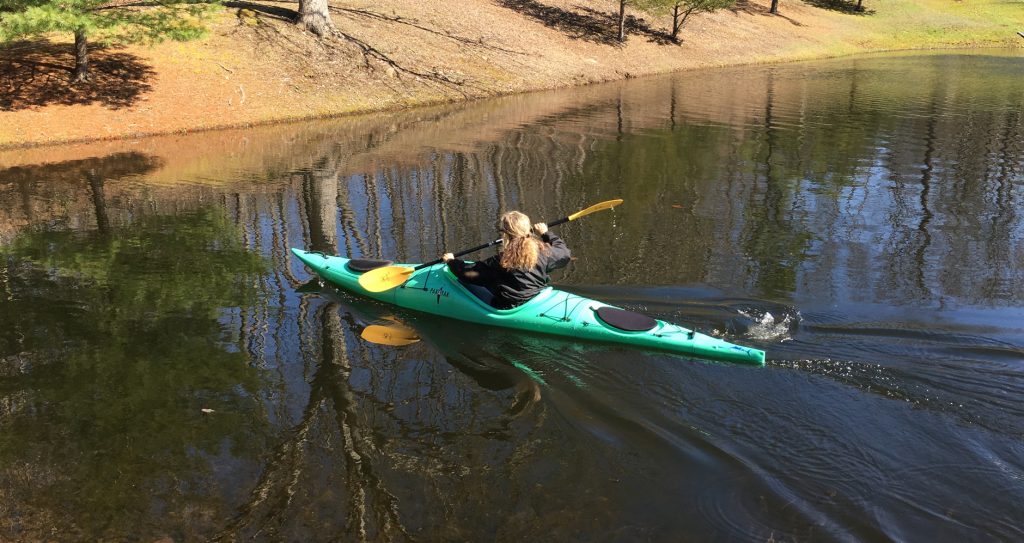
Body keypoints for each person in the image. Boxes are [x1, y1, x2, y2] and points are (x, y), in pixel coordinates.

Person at [442, 210, 571, 309]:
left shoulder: (500, 261)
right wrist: (545, 233)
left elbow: (467, 274)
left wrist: (452, 262)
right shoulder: (544, 252)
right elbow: (564, 254)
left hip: (510, 306)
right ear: (529, 229)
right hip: (536, 296)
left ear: (505, 234)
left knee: (464, 282)